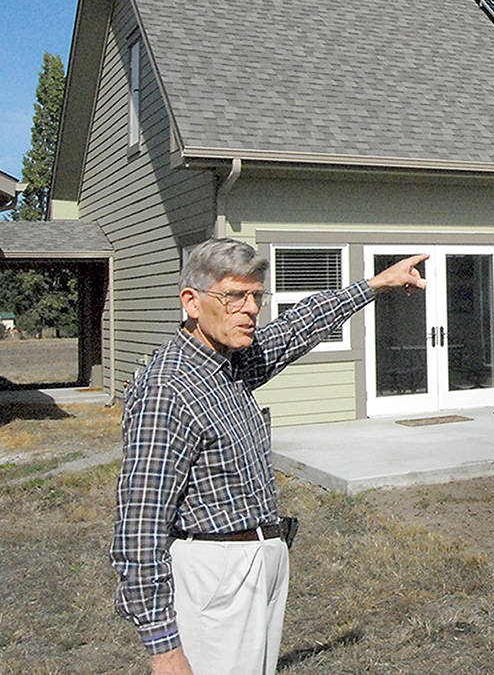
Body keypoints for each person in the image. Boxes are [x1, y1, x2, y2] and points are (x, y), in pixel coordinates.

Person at [111, 238, 427, 675]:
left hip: (261, 561)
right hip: (216, 572)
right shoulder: (169, 390)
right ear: (192, 302)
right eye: (234, 296)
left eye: (256, 296)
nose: (251, 309)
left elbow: (299, 326)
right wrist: (163, 647)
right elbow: (139, 526)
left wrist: (376, 284)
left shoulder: (232, 363)